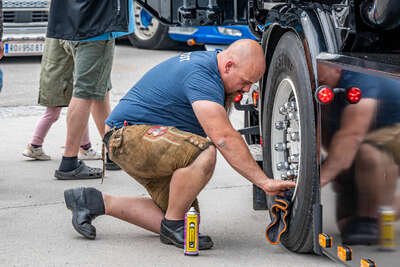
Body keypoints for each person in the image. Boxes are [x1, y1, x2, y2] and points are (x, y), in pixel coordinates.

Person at [63, 39, 296, 250]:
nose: (246, 90)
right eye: (245, 82)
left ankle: (90, 201)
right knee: (203, 153)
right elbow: (224, 137)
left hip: (144, 137)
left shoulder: (213, 67)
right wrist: (263, 181)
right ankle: (173, 225)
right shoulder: (202, 77)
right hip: (125, 135)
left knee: (188, 220)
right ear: (228, 66)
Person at [46, 0, 134, 179]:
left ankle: (112, 153)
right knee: (84, 93)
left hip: (75, 24)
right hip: (96, 28)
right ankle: (69, 162)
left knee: (99, 91)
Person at [319, 66, 400, 245]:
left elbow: (352, 135)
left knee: (367, 154)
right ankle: (371, 215)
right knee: (346, 223)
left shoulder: (360, 78)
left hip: (393, 129)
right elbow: (329, 137)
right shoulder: (325, 86)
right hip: (373, 133)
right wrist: (336, 168)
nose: (317, 83)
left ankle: (371, 218)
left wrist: (316, 183)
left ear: (337, 69)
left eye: (321, 80)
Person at [22, 38, 101, 161]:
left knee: (57, 114)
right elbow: (72, 49)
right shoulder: (63, 31)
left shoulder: (53, 30)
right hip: (61, 79)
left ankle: (35, 145)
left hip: (53, 76)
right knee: (78, 111)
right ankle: (35, 146)